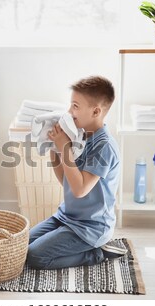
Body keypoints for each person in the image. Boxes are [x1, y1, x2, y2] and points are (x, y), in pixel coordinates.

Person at [27, 75, 125, 269]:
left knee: (35, 257)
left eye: (75, 106)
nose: (70, 112)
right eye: (71, 105)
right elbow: (66, 181)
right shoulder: (79, 137)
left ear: (96, 111)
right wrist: (54, 150)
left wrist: (64, 149)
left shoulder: (104, 147)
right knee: (20, 245)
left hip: (90, 227)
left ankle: (98, 253)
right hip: (66, 217)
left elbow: (80, 190)